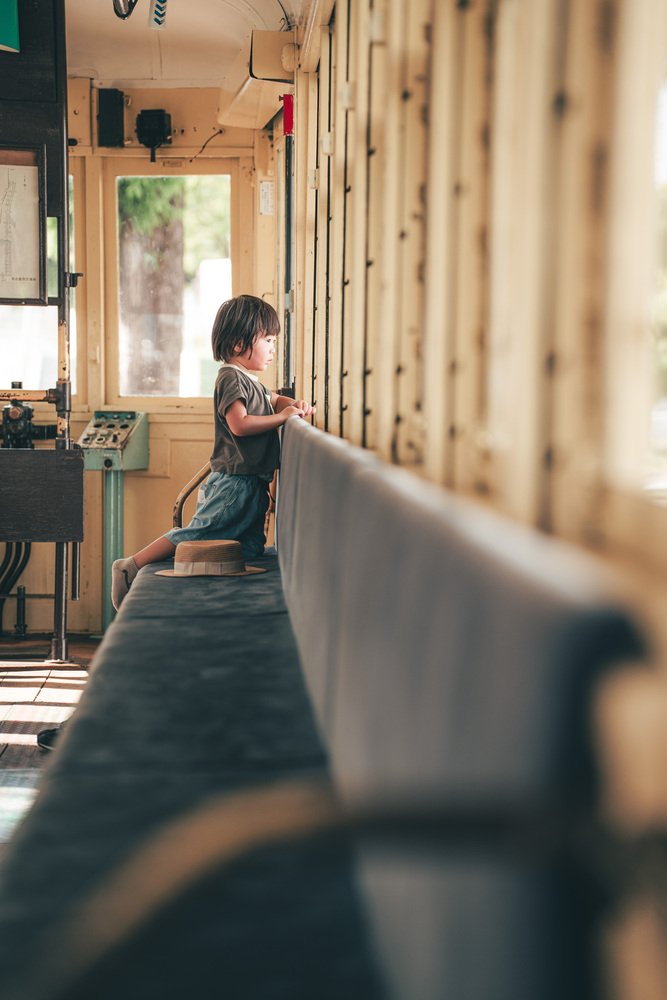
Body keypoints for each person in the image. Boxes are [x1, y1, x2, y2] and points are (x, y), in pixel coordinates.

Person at [111, 294, 314, 610]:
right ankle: (131, 565)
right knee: (199, 533)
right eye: (268, 340)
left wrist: (294, 405)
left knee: (248, 549)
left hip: (254, 482)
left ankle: (222, 604)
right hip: (234, 481)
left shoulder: (252, 381)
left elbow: (274, 399)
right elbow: (240, 424)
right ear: (238, 346)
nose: (274, 347)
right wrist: (284, 418)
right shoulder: (230, 376)